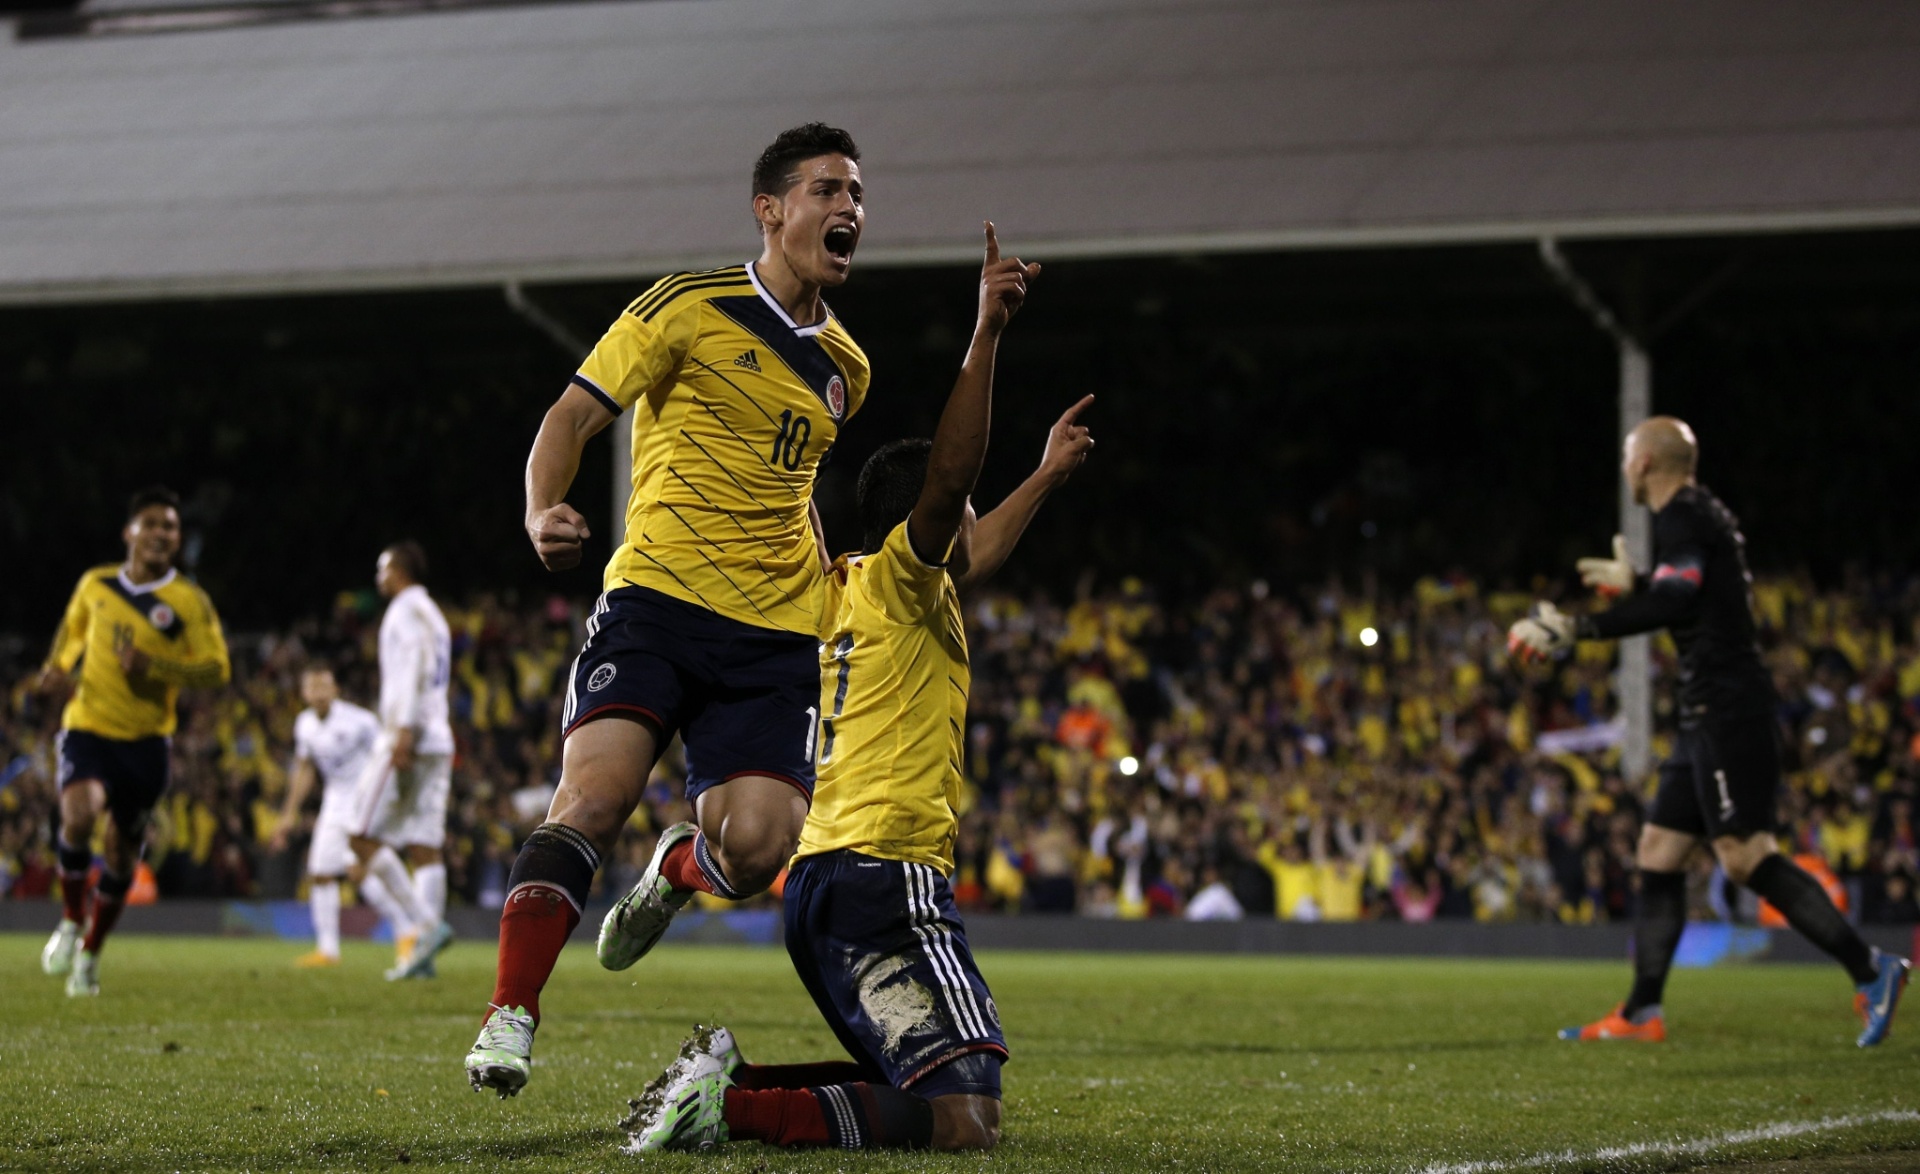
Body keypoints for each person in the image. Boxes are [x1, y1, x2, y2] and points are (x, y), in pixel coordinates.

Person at [626, 223, 1092, 1153]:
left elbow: (979, 542)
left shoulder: (830, 591)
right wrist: (987, 333)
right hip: (886, 872)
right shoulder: (904, 579)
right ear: (921, 526)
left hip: (822, 880)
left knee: (909, 1084)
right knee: (967, 1121)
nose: (970, 525)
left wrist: (1044, 475)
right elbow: (952, 484)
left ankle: (727, 1085)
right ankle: (727, 1110)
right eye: (956, 511)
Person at [467, 122, 873, 1096]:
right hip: (657, 598)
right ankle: (510, 1013)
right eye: (828, 190)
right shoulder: (687, 306)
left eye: (858, 194)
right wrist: (540, 507)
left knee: (760, 847)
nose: (850, 209)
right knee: (594, 796)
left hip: (774, 633)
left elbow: (792, 485)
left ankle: (678, 872)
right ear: (770, 209)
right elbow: (570, 416)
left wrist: (825, 582)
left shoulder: (847, 370)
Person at [1507, 416, 1909, 1047]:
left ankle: (1871, 969)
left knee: (1746, 857)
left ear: (1643, 465)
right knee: (1658, 853)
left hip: (1729, 710)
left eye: (1625, 458)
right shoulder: (1696, 516)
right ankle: (1642, 1012)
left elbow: (1677, 603)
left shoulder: (1685, 517)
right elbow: (1693, 596)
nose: (1623, 469)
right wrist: (1639, 583)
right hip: (1705, 714)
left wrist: (1579, 630)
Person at [39, 485, 231, 996]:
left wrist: (156, 666)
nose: (161, 533)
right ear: (129, 532)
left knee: (122, 854)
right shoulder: (96, 584)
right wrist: (55, 670)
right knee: (79, 814)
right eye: (151, 523)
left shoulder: (187, 601)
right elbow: (71, 631)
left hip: (146, 744)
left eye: (170, 526)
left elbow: (216, 669)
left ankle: (91, 954)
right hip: (88, 726)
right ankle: (69, 920)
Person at [346, 541, 457, 980]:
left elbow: (411, 666)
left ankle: (427, 927)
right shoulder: (434, 612)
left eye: (382, 567)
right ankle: (423, 959)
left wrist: (405, 728)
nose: (378, 577)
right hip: (439, 736)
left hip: (408, 733)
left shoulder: (405, 611)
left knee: (358, 834)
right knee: (425, 845)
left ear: (398, 570)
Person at [269, 665, 387, 967]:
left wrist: (385, 801)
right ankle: (328, 950)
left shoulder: (361, 721)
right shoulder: (304, 724)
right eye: (313, 687)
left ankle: (409, 930)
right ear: (304, 693)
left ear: (336, 690)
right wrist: (289, 812)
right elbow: (305, 769)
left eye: (325, 687)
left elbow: (385, 759)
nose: (320, 693)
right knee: (320, 873)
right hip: (334, 802)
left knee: (357, 871)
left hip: (363, 799)